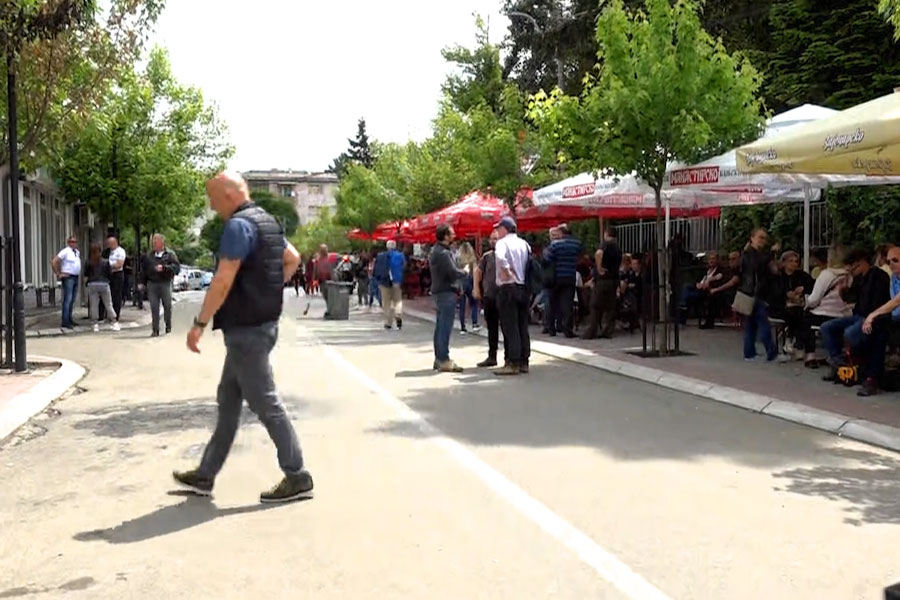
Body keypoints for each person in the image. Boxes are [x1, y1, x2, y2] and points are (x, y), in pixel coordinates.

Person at [174, 172, 312, 503]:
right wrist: (267, 290)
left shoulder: (238, 226)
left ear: (228, 195)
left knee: (265, 402)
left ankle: (297, 475)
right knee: (229, 400)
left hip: (247, 331)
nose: (210, 205)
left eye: (212, 198)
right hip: (260, 325)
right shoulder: (266, 221)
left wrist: (199, 324)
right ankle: (206, 474)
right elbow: (291, 258)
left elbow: (222, 280)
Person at [822, 247, 890, 396]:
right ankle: (839, 364)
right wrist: (843, 290)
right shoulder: (860, 278)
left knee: (851, 333)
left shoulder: (879, 276)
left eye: (853, 265)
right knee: (827, 328)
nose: (851, 269)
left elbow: (879, 303)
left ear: (861, 263)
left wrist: (870, 318)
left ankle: (853, 364)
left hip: (876, 317)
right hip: (859, 316)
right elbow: (851, 299)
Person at [800, 247, 851, 368]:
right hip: (842, 314)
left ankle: (810, 355)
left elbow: (814, 299)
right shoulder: (849, 276)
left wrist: (806, 302)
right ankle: (834, 355)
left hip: (823, 314)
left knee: (805, 319)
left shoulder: (826, 274)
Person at [493, 217, 532, 376]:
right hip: (523, 287)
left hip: (508, 287)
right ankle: (524, 361)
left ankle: (513, 361)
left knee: (510, 326)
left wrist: (507, 270)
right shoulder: (524, 244)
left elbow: (500, 257)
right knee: (522, 324)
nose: (497, 231)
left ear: (505, 229)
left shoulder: (502, 243)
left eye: (499, 228)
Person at [430, 224, 469, 372]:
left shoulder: (438, 251)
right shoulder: (443, 253)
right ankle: (443, 359)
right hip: (446, 292)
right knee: (445, 327)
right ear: (445, 236)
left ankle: (439, 358)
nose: (454, 235)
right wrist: (465, 272)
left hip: (441, 292)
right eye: (451, 233)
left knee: (440, 326)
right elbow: (452, 273)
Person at [769, 250, 815, 354]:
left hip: (798, 305)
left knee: (804, 315)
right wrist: (785, 294)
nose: (794, 264)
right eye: (791, 261)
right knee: (795, 313)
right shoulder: (777, 277)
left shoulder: (802, 275)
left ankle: (797, 341)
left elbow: (813, 286)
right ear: (784, 263)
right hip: (780, 306)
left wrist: (803, 288)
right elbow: (773, 293)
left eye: (796, 261)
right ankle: (792, 338)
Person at [473, 230, 506, 367]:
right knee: (492, 328)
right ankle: (492, 356)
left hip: (504, 295)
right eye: (491, 239)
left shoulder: (506, 254)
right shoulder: (487, 257)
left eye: (496, 239)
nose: (493, 241)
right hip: (489, 296)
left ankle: (509, 357)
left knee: (506, 327)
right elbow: (478, 272)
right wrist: (477, 289)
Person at [582, 228, 622, 340]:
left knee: (595, 305)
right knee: (610, 307)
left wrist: (599, 268)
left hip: (603, 280)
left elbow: (599, 253)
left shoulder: (606, 244)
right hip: (613, 280)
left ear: (606, 234)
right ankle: (607, 331)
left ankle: (592, 331)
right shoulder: (618, 247)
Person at [544, 223, 582, 338]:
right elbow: (580, 257)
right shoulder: (577, 244)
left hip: (556, 277)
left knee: (552, 303)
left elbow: (547, 259)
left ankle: (551, 329)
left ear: (561, 233)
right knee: (567, 304)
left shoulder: (555, 245)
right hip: (570, 276)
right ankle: (567, 330)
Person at [141, 233, 180, 337]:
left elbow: (177, 268)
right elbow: (144, 270)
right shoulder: (149, 255)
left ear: (162, 242)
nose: (154, 243)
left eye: (156, 241)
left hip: (165, 283)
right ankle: (155, 330)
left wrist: (164, 268)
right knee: (154, 307)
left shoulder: (170, 254)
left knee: (167, 306)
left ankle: (168, 325)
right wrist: (142, 283)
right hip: (152, 283)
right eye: (153, 241)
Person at [83, 242, 118, 332]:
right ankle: (114, 321)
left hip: (92, 284)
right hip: (104, 283)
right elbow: (109, 273)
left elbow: (86, 273)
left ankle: (95, 324)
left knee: (94, 305)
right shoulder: (105, 262)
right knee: (108, 304)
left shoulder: (89, 262)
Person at [51, 235, 81, 329]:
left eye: (75, 242)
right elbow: (55, 261)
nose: (74, 243)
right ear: (68, 242)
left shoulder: (77, 252)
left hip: (75, 276)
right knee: (68, 299)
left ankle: (69, 318)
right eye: (72, 242)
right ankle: (65, 321)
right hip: (68, 277)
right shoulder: (65, 251)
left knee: (72, 299)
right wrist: (58, 273)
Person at [375, 240, 406, 330]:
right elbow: (404, 266)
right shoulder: (400, 255)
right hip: (397, 280)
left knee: (386, 302)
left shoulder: (380, 256)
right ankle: (398, 314)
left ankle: (388, 322)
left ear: (387, 246)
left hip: (384, 281)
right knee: (397, 300)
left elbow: (376, 268)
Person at [456, 241, 480, 334]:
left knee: (462, 306)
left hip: (461, 283)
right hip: (470, 282)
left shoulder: (458, 259)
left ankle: (463, 327)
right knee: (474, 304)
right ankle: (474, 323)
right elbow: (475, 273)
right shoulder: (472, 260)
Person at [106, 235, 126, 322]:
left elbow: (119, 264)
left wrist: (110, 266)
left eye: (109, 243)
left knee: (116, 296)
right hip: (108, 275)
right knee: (108, 296)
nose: (108, 245)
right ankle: (108, 315)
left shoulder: (120, 251)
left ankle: (116, 315)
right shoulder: (107, 252)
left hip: (117, 275)